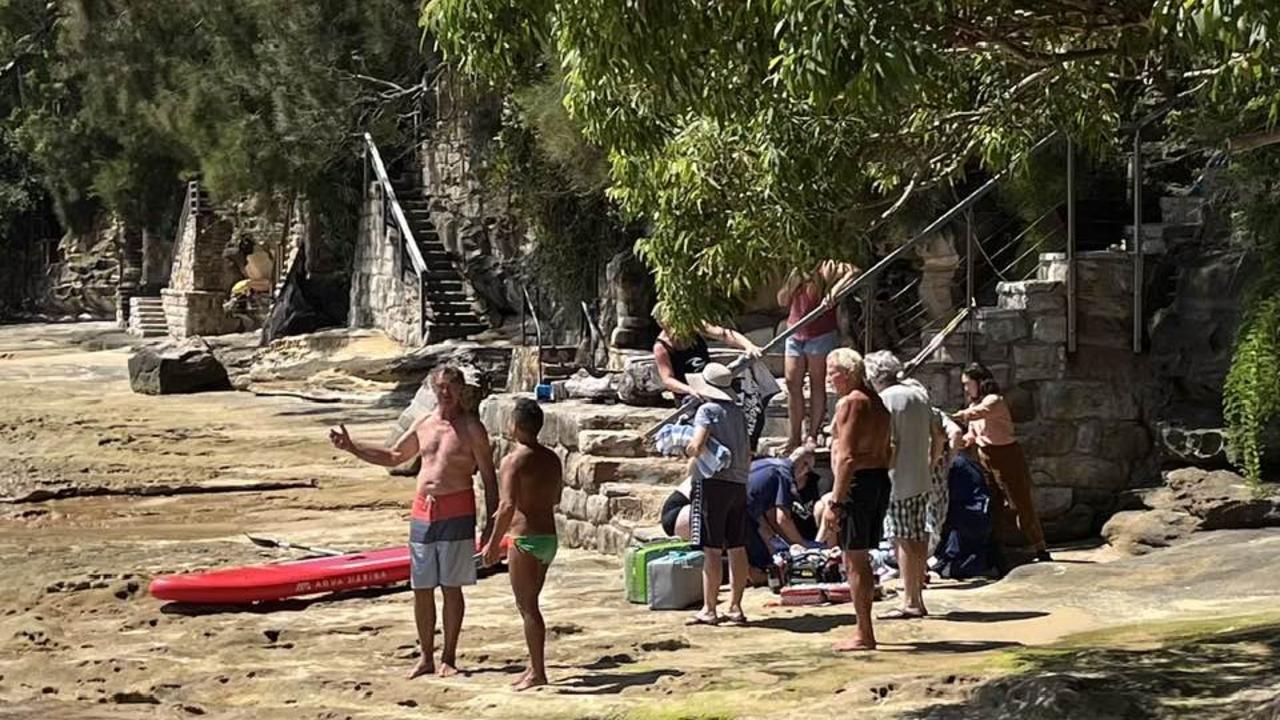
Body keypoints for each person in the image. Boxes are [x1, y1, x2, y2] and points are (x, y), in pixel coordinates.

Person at [328, 365, 498, 679]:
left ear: (461, 390)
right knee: (421, 587)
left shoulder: (472, 428)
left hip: (457, 509)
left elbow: (489, 477)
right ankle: (425, 657)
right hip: (423, 512)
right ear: (434, 388)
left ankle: (448, 656)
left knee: (451, 587)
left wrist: (491, 525)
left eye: (451, 386)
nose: (445, 392)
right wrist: (353, 447)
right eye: (441, 386)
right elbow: (394, 455)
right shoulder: (424, 423)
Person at [482, 398, 563, 691]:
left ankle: (538, 672)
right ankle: (533, 664)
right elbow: (555, 497)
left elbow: (506, 506)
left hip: (525, 538)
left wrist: (492, 545)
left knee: (527, 607)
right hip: (549, 537)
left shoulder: (513, 460)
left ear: (514, 426)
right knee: (532, 602)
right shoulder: (552, 458)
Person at [822, 348, 892, 651]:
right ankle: (864, 628)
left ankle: (864, 632)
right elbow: (888, 450)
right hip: (878, 478)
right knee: (859, 556)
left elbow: (848, 457)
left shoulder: (852, 402)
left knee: (855, 558)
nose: (828, 378)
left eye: (831, 371)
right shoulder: (877, 403)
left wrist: (835, 503)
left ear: (847, 372)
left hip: (858, 482)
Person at [952, 363, 1051, 563]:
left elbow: (976, 413)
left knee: (1020, 502)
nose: (965, 388)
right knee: (993, 503)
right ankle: (998, 550)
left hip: (1006, 456)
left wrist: (946, 417)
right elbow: (972, 434)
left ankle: (1040, 548)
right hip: (985, 457)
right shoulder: (974, 404)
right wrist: (956, 441)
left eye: (967, 384)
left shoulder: (994, 401)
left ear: (979, 382)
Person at [864, 351, 936, 620]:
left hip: (898, 479)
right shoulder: (918, 393)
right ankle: (916, 595)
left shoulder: (886, 400)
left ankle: (910, 601)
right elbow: (935, 434)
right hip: (920, 475)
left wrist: (882, 472)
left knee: (902, 538)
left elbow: (889, 443)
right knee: (917, 535)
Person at [684, 362, 752, 626]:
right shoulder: (737, 412)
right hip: (738, 482)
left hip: (714, 482)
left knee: (711, 548)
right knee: (736, 545)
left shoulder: (707, 411)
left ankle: (709, 609)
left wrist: (684, 447)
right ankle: (736, 607)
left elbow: (697, 445)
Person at [776, 260, 860, 451]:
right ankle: (794, 436)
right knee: (792, 383)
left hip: (820, 332)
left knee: (817, 383)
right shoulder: (797, 270)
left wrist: (835, 290)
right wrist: (791, 284)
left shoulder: (829, 265)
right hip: (795, 331)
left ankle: (812, 434)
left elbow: (854, 271)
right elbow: (782, 301)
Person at [745, 446, 821, 575]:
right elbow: (783, 519)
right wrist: (803, 546)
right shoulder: (784, 474)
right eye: (808, 470)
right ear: (804, 465)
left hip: (734, 506)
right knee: (765, 568)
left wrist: (787, 543)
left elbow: (772, 517)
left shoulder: (767, 463)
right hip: (744, 515)